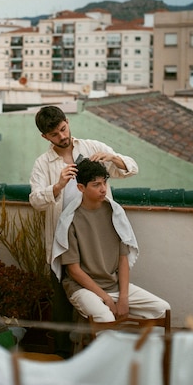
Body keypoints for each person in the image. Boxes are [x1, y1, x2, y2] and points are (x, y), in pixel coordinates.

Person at [29, 105, 139, 356]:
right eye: (54, 134)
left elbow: (132, 168)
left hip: (99, 240)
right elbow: (35, 201)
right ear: (45, 137)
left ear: (67, 122)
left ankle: (97, 354)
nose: (62, 136)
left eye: (63, 129)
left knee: (103, 294)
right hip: (64, 243)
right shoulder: (43, 164)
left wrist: (112, 158)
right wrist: (57, 186)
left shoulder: (90, 147)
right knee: (62, 305)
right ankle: (64, 357)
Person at [51, 159, 170, 323]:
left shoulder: (115, 213)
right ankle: (110, 348)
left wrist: (123, 297)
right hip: (82, 289)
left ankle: (145, 349)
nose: (103, 189)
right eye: (96, 185)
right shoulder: (69, 220)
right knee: (106, 318)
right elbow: (74, 271)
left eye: (104, 183)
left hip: (113, 285)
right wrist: (106, 299)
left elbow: (123, 259)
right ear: (81, 188)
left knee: (163, 310)